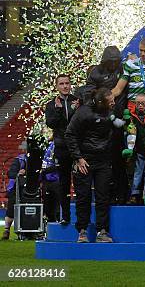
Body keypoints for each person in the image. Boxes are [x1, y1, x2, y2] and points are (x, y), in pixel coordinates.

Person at [65, 88, 116, 243]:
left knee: (103, 197)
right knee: (83, 196)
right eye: (111, 100)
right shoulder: (83, 113)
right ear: (101, 102)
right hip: (85, 161)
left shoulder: (110, 112)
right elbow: (70, 134)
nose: (114, 102)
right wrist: (78, 158)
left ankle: (102, 231)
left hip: (103, 161)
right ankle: (82, 231)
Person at [86, 45, 129, 205]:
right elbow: (89, 95)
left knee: (120, 161)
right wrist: (102, 110)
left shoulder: (124, 68)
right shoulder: (96, 73)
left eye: (115, 61)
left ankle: (122, 194)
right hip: (103, 123)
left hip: (122, 120)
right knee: (104, 162)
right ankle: (106, 195)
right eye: (110, 61)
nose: (112, 64)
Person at [44, 74, 80, 225]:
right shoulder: (51, 104)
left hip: (77, 146)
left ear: (70, 85)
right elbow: (51, 124)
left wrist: (76, 110)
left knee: (80, 182)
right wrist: (59, 110)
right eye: (61, 84)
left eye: (67, 83)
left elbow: (80, 121)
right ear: (57, 86)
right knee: (63, 183)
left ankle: (81, 217)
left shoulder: (77, 101)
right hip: (61, 147)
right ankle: (65, 216)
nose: (65, 86)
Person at [112, 38, 145, 105]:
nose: (142, 54)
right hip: (133, 107)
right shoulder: (130, 65)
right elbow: (118, 89)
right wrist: (106, 97)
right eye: (141, 50)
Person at [2, 154, 26, 240]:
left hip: (30, 189)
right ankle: (6, 230)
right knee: (11, 209)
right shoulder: (19, 159)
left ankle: (28, 231)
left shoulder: (38, 160)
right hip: (15, 188)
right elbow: (10, 173)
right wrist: (18, 173)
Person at [41, 140, 62, 222]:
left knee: (57, 204)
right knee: (47, 205)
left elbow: (59, 165)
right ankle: (50, 224)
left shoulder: (59, 145)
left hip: (56, 180)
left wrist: (45, 171)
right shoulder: (47, 145)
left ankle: (59, 224)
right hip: (46, 180)